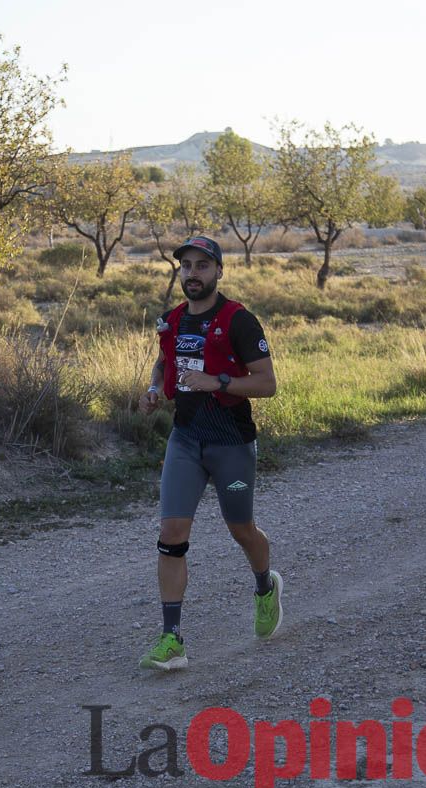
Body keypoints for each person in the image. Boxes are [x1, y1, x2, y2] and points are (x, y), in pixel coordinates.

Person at [138, 235, 282, 671]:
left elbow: (267, 384)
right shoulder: (171, 320)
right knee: (172, 534)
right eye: (186, 266)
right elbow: (165, 363)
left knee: (241, 531)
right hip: (184, 440)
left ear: (219, 271)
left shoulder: (239, 320)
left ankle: (264, 587)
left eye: (203, 265)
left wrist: (217, 383)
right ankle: (172, 640)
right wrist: (152, 390)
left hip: (231, 444)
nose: (193, 273)